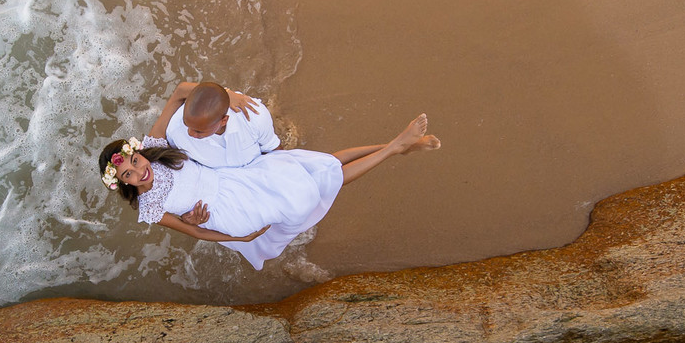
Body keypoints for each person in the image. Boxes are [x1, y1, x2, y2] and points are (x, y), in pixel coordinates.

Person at [97, 92, 441, 270]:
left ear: (139, 151)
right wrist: (241, 237)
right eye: (128, 174)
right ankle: (396, 146)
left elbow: (178, 94)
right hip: (231, 209)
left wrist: (228, 95)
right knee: (319, 179)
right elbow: (195, 231)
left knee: (322, 165)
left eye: (135, 161)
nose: (138, 171)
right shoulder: (149, 206)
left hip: (237, 177)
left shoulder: (158, 148)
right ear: (124, 184)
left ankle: (397, 145)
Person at [163, 81, 279, 169]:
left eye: (199, 131)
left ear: (224, 121)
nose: (190, 133)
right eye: (186, 124)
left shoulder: (254, 117)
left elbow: (274, 150)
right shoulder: (175, 131)